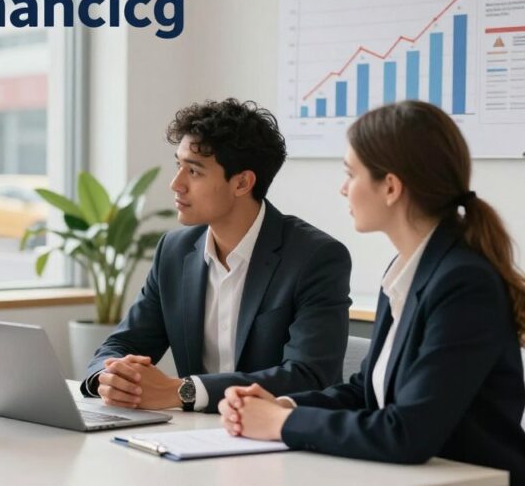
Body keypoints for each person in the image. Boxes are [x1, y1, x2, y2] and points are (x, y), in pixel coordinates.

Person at [219, 100, 525, 483]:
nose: (343, 188)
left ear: (391, 187)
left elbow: (408, 432)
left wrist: (283, 423)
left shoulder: (463, 283)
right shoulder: (406, 270)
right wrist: (282, 403)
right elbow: (368, 390)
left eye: (351, 173)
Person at [83, 98, 352, 413]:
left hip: (280, 441)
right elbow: (121, 345)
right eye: (178, 165)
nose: (176, 184)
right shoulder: (174, 250)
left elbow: (307, 376)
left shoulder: (315, 257)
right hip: (195, 437)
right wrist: (110, 376)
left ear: (241, 183)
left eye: (194, 171)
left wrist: (183, 391)